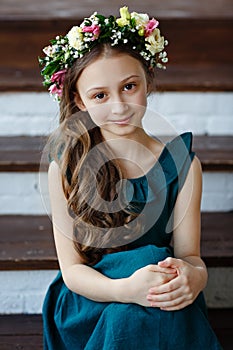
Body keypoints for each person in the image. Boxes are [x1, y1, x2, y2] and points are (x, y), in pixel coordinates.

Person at [39, 7, 222, 349]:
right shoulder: (65, 167)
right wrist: (126, 289)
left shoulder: (182, 165)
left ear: (148, 79)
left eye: (129, 87)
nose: (120, 107)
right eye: (100, 95)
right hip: (92, 298)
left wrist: (194, 278)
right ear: (78, 100)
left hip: (158, 291)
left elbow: (190, 256)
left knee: (151, 277)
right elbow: (73, 272)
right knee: (144, 267)